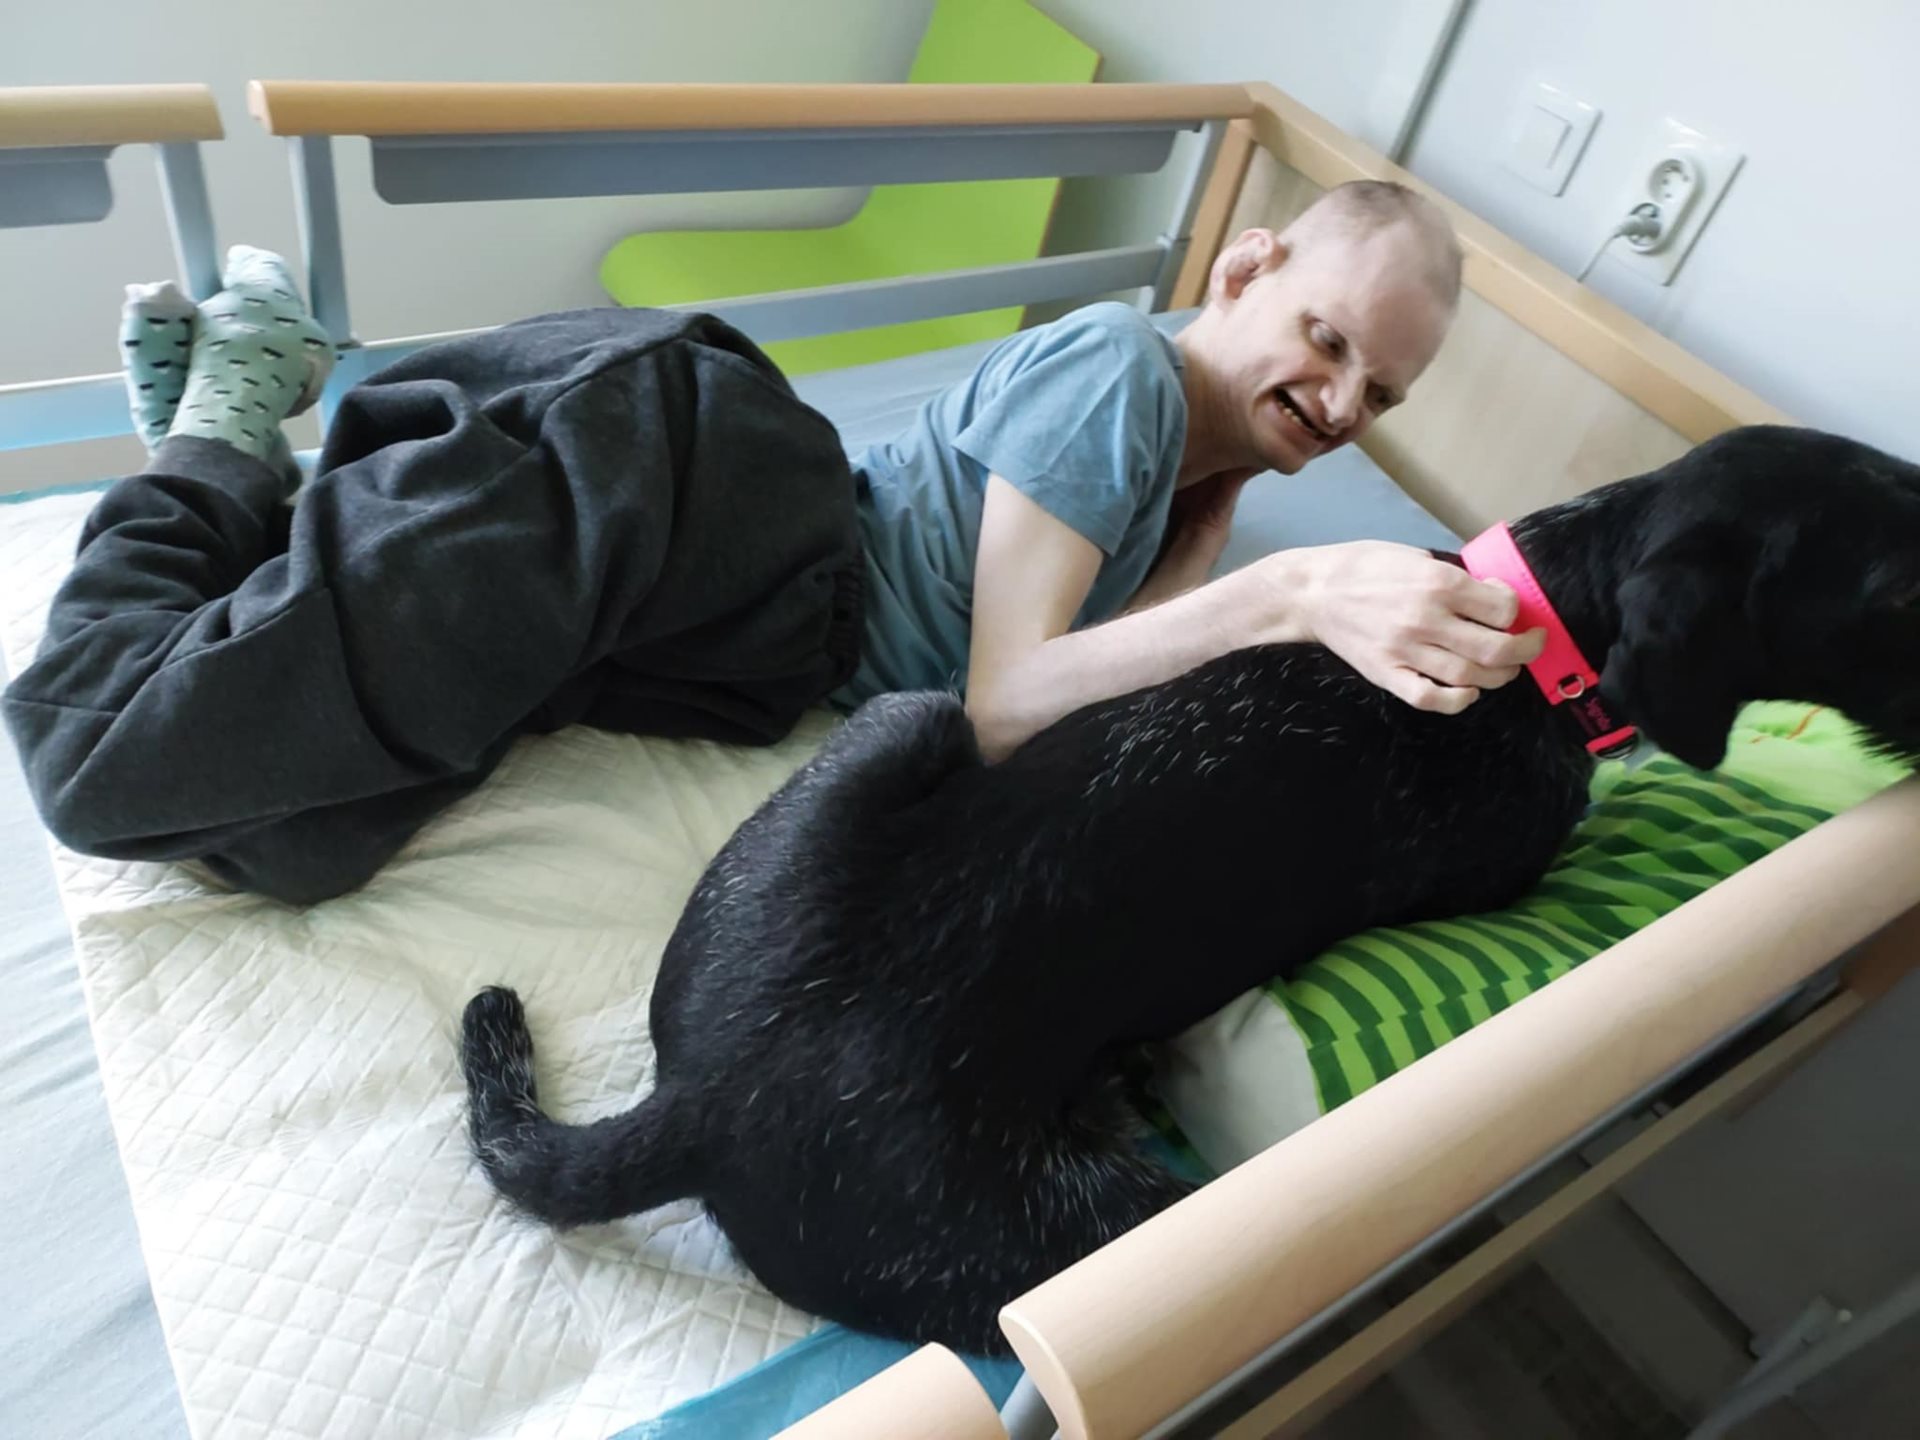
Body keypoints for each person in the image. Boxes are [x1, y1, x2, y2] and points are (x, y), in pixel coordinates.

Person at [2, 180, 1540, 905]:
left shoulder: (1187, 472)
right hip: (703, 496)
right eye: (1326, 339)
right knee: (100, 763)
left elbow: (1098, 690)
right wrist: (1289, 590)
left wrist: (1227, 520)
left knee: (290, 841)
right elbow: (1009, 698)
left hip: (728, 638)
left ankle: (237, 474)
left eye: (1379, 393)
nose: (1342, 401)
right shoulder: (1119, 377)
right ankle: (229, 410)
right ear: (1247, 265)